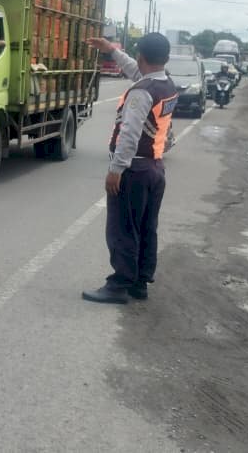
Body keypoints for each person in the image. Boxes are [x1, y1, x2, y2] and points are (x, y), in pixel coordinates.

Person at [81, 33, 178, 304]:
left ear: (141, 56)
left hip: (134, 170)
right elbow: (138, 72)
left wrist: (116, 169)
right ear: (166, 58)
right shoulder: (165, 83)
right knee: (147, 227)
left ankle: (119, 284)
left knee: (123, 228)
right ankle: (140, 281)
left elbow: (130, 134)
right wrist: (112, 50)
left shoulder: (141, 92)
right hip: (155, 169)